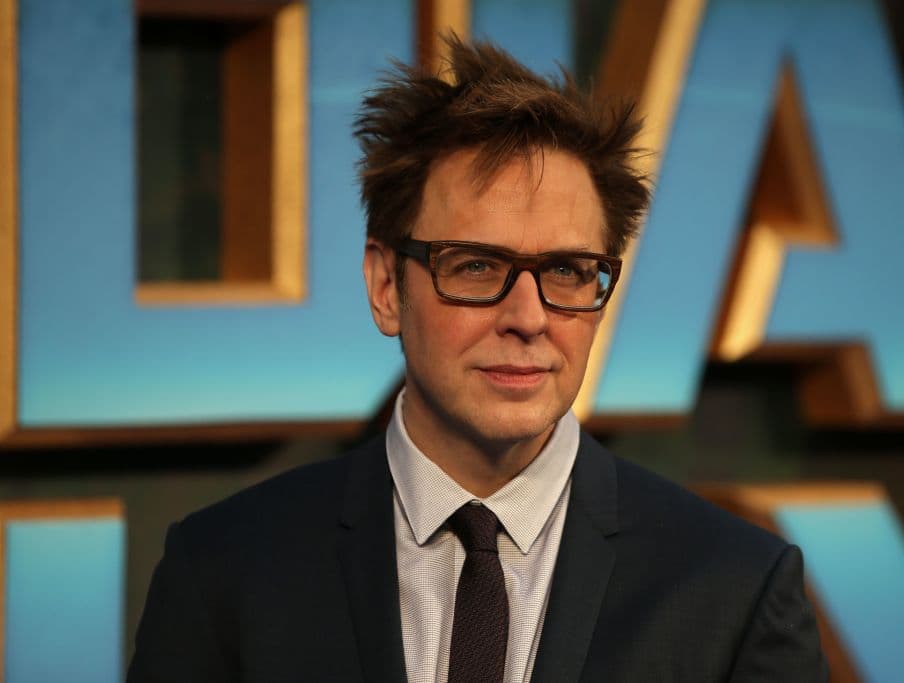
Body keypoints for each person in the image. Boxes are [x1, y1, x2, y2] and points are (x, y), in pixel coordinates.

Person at [129, 38, 827, 682]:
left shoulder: (735, 588)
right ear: (385, 286)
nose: (527, 317)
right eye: (475, 265)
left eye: (567, 271)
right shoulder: (224, 569)